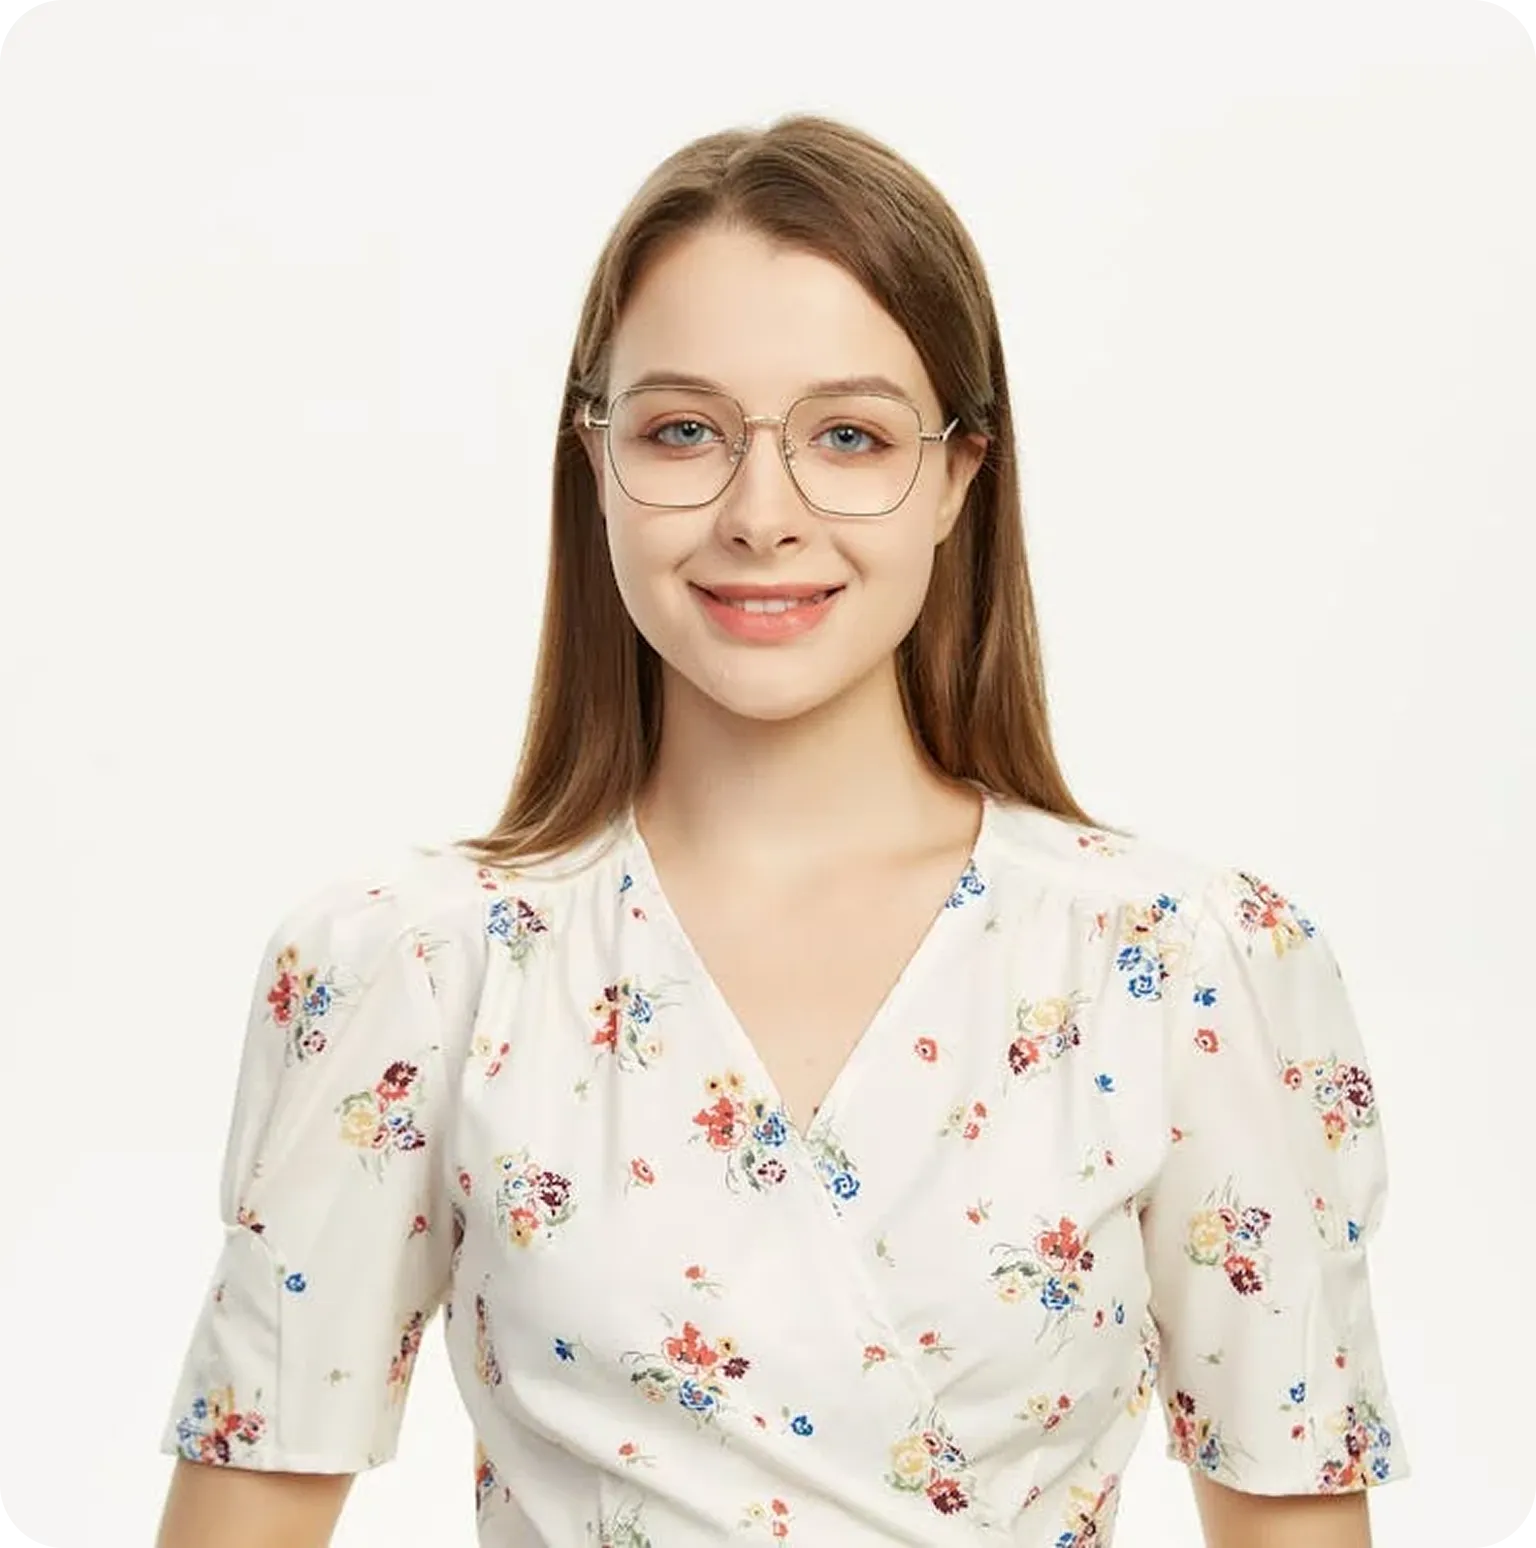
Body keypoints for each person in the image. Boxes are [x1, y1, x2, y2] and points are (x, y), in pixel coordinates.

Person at [153, 113, 1409, 1548]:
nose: (763, 513)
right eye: (684, 431)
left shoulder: (1190, 964)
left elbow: (1295, 1517)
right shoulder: (413, 968)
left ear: (959, 474)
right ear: (594, 460)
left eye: (850, 436)